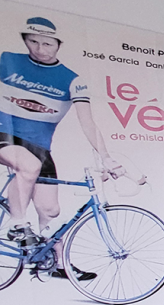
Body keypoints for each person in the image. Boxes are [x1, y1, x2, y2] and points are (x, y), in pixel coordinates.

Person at [0, 17, 125, 280]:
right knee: (28, 166)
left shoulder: (72, 80)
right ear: (24, 40)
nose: (40, 49)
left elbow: (87, 122)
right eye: (33, 41)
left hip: (39, 147)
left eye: (47, 43)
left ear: (58, 43)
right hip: (4, 134)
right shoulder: (7, 60)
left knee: (50, 212)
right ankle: (17, 225)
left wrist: (107, 157)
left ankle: (57, 264)